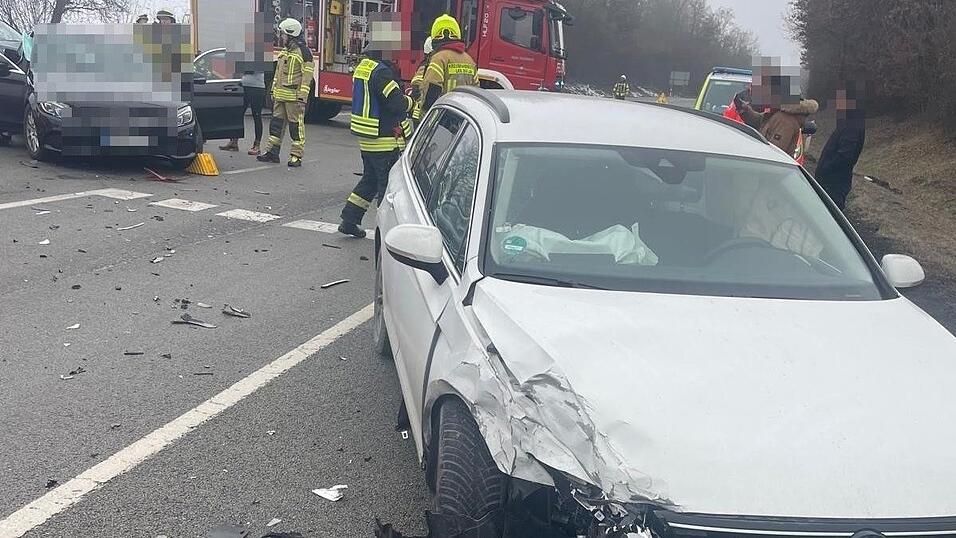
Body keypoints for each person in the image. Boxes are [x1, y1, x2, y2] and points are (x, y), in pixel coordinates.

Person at [337, 37, 414, 238]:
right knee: (387, 187)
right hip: (384, 139)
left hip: (368, 137)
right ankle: (385, 231)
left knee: (369, 180)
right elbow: (396, 104)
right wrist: (411, 102)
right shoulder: (382, 73)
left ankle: (349, 220)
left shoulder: (364, 68)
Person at [257, 18, 314, 167]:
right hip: (280, 96)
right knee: (275, 125)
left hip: (293, 98)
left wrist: (302, 98)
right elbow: (278, 74)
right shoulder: (285, 52)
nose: (281, 37)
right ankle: (272, 153)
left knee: (296, 127)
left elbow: (307, 78)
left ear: (291, 34)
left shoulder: (304, 53)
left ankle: (296, 155)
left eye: (283, 34)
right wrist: (273, 91)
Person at [736, 68, 819, 157]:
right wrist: (745, 110)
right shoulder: (778, 113)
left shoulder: (785, 121)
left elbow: (774, 152)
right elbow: (760, 121)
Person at [815, 84, 866, 210]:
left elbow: (845, 155)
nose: (837, 103)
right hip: (832, 182)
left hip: (834, 184)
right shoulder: (848, 122)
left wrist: (826, 168)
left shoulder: (852, 125)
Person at [419, 15, 477, 114]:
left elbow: (432, 88)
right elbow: (476, 90)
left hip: (443, 116)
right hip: (463, 116)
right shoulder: (470, 60)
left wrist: (425, 113)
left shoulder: (439, 58)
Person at [220, 67, 266, 155]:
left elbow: (251, 69)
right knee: (238, 114)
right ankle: (234, 141)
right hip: (243, 85)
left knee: (256, 116)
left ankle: (257, 145)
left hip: (257, 88)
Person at [410, 37, 433, 125]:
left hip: (423, 115)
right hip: (421, 116)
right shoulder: (425, 66)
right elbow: (416, 86)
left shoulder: (430, 64)